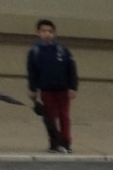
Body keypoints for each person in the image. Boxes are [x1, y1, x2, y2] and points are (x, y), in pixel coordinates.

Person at [25, 18, 76, 154]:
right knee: (49, 117)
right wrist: (32, 89)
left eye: (49, 31)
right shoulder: (35, 52)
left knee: (64, 116)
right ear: (38, 33)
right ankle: (54, 143)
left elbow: (71, 69)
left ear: (54, 33)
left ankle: (65, 142)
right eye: (43, 31)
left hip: (63, 89)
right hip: (46, 90)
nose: (47, 34)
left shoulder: (62, 50)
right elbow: (32, 72)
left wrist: (73, 87)